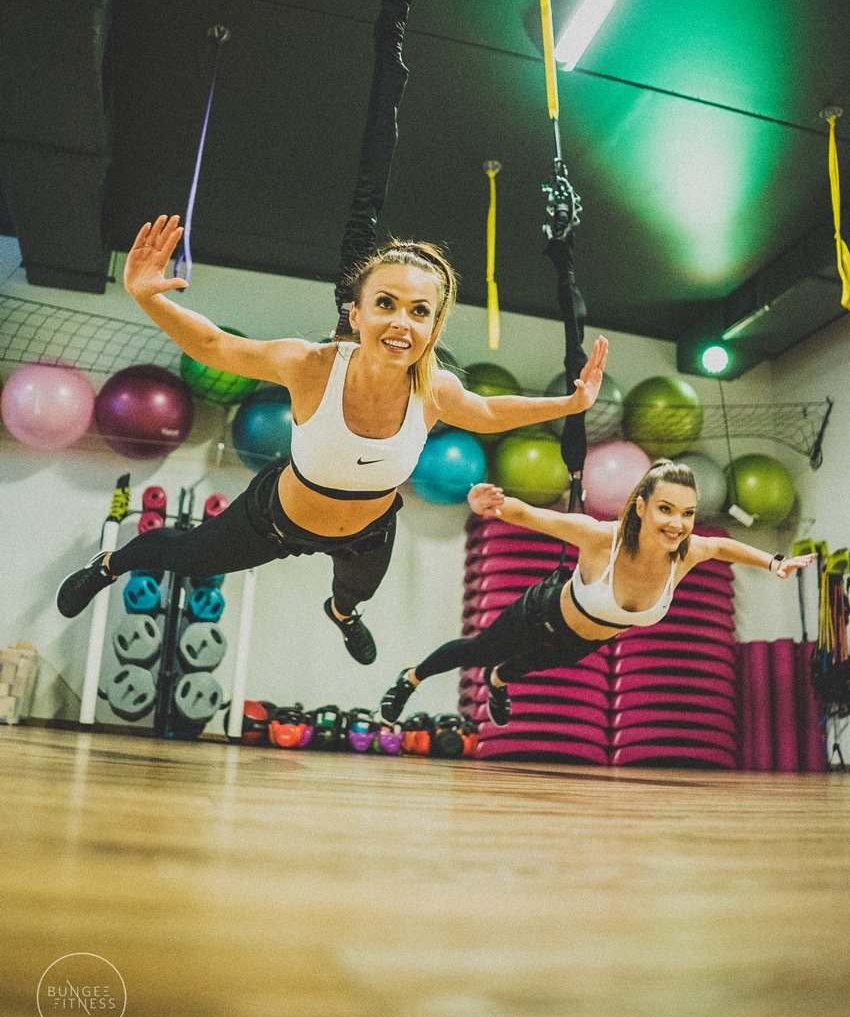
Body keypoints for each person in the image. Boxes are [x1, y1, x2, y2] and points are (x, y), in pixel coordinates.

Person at [56, 212, 608, 662]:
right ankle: (109, 565)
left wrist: (570, 403)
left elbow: (487, 411)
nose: (401, 323)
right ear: (357, 311)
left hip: (366, 530)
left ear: (433, 326)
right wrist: (149, 297)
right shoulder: (312, 365)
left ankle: (342, 615)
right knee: (190, 556)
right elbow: (216, 347)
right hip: (274, 519)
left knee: (355, 593)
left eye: (420, 312)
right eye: (386, 304)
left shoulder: (434, 389)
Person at [377, 458, 817, 722]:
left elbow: (722, 545)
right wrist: (489, 504)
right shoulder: (600, 538)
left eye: (687, 512)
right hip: (541, 613)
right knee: (480, 649)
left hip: (584, 641)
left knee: (519, 669)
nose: (677, 523)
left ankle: (497, 682)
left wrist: (774, 562)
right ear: (641, 507)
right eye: (665, 509)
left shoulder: (688, 552)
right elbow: (533, 516)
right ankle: (409, 680)